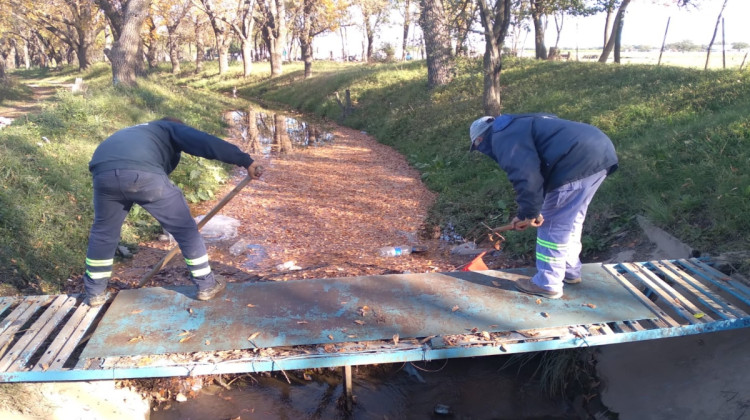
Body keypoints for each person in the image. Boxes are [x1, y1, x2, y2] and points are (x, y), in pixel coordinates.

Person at [83, 117, 261, 306]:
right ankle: (207, 285)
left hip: (103, 173)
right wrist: (245, 161)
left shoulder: (136, 131)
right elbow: (204, 141)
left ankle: (95, 293)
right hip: (143, 173)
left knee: (104, 233)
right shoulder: (168, 128)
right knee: (185, 230)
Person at [469, 113, 618, 299]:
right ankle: (569, 271)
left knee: (552, 226)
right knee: (571, 221)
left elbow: (526, 176)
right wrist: (530, 213)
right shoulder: (521, 123)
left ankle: (548, 283)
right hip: (599, 152)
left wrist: (529, 212)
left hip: (575, 161)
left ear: (480, 139)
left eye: (478, 146)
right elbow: (543, 165)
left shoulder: (502, 136)